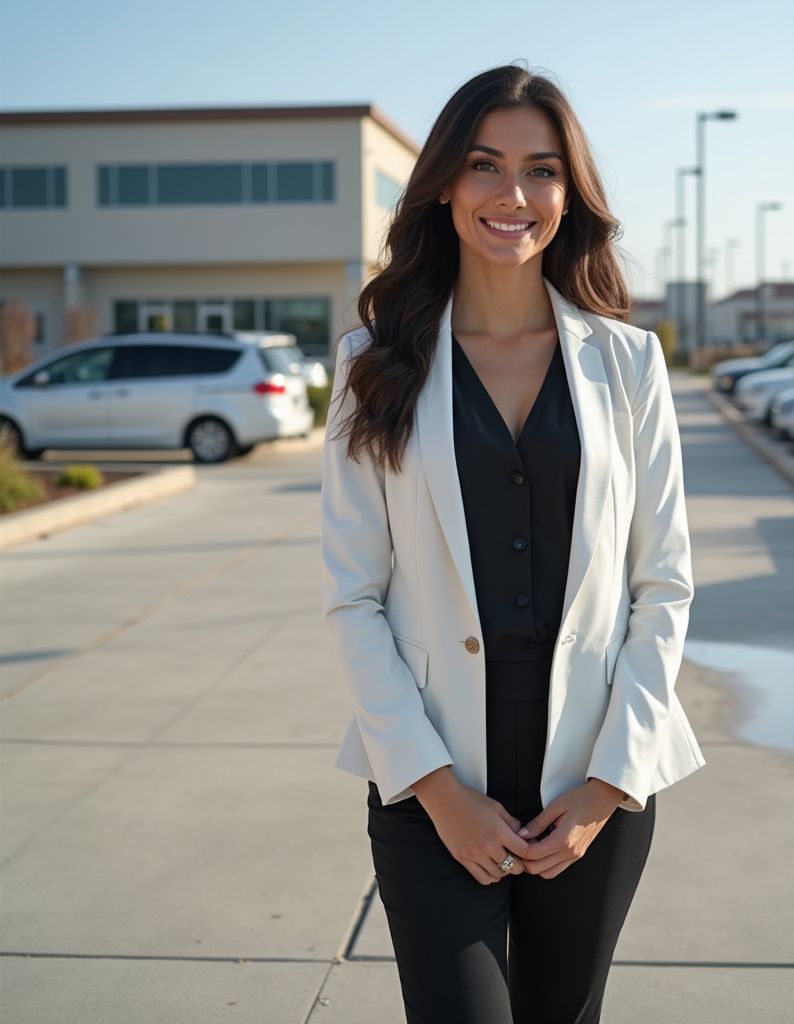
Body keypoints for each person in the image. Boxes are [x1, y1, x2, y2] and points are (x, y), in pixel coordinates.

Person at [319, 62, 706, 1024]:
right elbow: (353, 597)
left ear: (569, 196)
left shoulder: (627, 362)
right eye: (485, 165)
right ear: (446, 182)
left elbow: (663, 586)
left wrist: (609, 785)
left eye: (541, 170)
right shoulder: (373, 366)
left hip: (592, 787)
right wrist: (438, 791)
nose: (513, 195)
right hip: (431, 777)